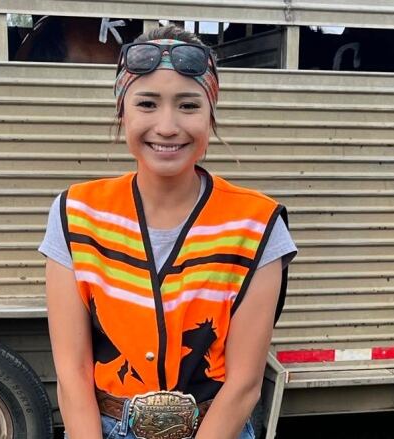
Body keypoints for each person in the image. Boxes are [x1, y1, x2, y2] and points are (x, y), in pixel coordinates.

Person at [39, 24, 297, 439]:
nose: (167, 125)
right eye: (147, 103)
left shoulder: (258, 224)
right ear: (122, 113)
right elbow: (72, 372)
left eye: (188, 105)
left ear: (211, 114)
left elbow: (245, 383)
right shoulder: (75, 215)